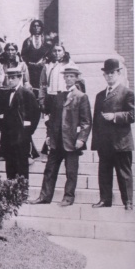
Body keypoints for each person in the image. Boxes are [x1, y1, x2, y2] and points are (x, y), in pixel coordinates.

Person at [29, 67, 92, 206]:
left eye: (71, 76)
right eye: (67, 76)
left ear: (76, 78)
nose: (68, 79)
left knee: (71, 171)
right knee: (50, 170)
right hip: (56, 141)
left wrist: (81, 138)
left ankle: (68, 197)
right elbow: (52, 120)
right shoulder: (58, 97)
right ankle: (44, 197)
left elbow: (86, 121)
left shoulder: (81, 97)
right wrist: (49, 136)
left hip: (71, 141)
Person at [91, 58, 135, 210]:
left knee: (124, 173)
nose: (109, 76)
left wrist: (115, 116)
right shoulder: (100, 95)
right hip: (104, 143)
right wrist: (96, 143)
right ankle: (105, 199)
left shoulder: (127, 93)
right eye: (106, 74)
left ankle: (128, 202)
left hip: (121, 142)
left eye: (112, 73)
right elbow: (95, 121)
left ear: (118, 73)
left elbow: (133, 114)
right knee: (104, 173)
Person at [0, 68, 41, 182]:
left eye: (13, 78)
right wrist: (2, 127)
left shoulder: (27, 93)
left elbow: (36, 113)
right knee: (10, 164)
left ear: (19, 78)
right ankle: (11, 192)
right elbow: (3, 112)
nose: (11, 81)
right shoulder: (6, 94)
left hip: (21, 136)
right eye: (9, 78)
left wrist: (28, 130)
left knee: (22, 165)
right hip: (8, 135)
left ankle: (22, 193)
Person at [39, 43, 78, 114]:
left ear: (64, 52)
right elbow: (42, 84)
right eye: (55, 51)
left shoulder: (70, 64)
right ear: (52, 52)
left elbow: (77, 82)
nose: (57, 53)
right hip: (51, 98)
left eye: (59, 51)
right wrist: (42, 101)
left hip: (65, 97)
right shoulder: (47, 66)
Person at [21, 19, 52, 99]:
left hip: (43, 69)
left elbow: (50, 54)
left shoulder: (47, 41)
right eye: (34, 26)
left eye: (38, 26)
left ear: (41, 27)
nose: (36, 28)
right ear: (31, 28)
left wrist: (44, 61)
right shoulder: (27, 41)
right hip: (31, 70)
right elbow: (23, 55)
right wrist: (30, 63)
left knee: (43, 86)